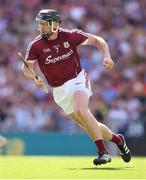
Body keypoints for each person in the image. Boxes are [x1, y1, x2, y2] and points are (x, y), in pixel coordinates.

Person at [22, 9, 131, 165]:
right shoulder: (36, 45)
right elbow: (26, 68)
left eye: (45, 24)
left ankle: (103, 152)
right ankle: (118, 139)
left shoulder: (70, 35)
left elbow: (97, 40)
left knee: (82, 110)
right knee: (87, 124)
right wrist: (35, 77)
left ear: (55, 24)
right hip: (59, 91)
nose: (41, 27)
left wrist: (106, 55)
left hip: (77, 79)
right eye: (40, 24)